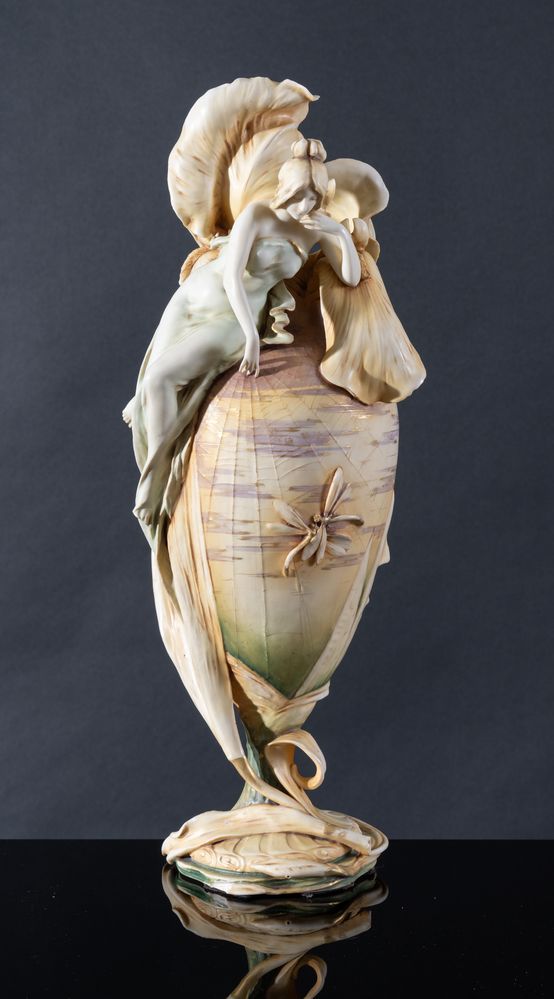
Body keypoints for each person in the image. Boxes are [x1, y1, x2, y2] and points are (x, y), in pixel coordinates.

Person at [123, 138, 361, 528]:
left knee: (160, 380)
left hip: (233, 320)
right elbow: (232, 275)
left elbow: (350, 276)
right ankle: (144, 409)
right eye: (300, 196)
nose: (305, 206)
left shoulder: (314, 229)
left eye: (314, 198)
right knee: (151, 380)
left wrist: (337, 232)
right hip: (194, 300)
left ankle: (155, 477)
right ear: (287, 190)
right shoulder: (258, 215)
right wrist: (254, 337)